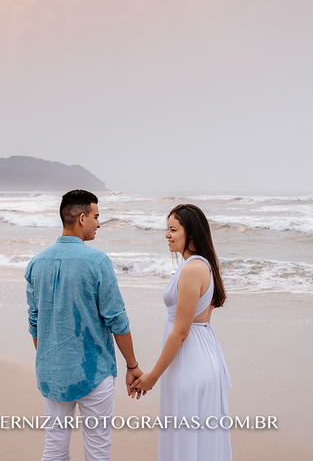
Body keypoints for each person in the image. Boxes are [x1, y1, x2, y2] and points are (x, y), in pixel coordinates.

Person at [26, 189, 143, 461]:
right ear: (81, 218)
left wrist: (49, 357)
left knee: (54, 449)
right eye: (96, 216)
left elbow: (35, 321)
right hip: (94, 371)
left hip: (51, 371)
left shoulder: (36, 262)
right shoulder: (97, 261)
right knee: (98, 451)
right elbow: (117, 319)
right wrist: (132, 366)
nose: (99, 224)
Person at [130, 203, 232, 461]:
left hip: (191, 362)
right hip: (201, 355)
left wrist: (153, 375)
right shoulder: (202, 266)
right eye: (167, 229)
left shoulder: (192, 269)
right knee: (197, 439)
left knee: (186, 440)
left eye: (173, 229)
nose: (167, 235)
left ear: (192, 234)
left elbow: (181, 332)